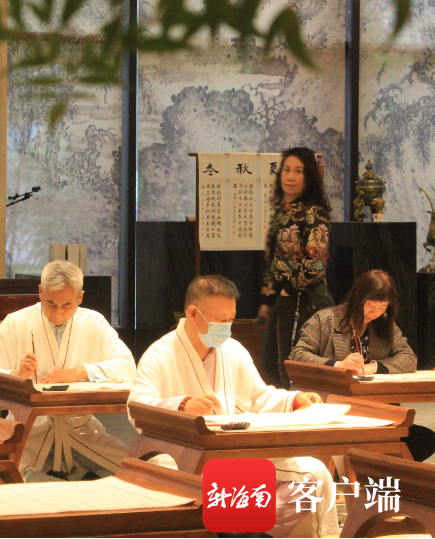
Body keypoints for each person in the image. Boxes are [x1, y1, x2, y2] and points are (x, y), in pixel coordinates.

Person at [132, 274, 338, 538]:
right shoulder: (159, 354)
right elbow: (136, 407)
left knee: (313, 474)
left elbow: (259, 397)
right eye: (220, 321)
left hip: (235, 451)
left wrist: (293, 400)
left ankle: (249, 529)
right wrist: (181, 406)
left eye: (231, 320)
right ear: (193, 314)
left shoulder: (234, 350)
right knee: (185, 484)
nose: (227, 328)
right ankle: (241, 528)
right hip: (183, 457)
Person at [0, 260, 136, 478]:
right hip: (28, 429)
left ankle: (80, 477)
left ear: (80, 297)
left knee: (141, 473)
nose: (58, 313)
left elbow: (127, 366)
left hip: (81, 428)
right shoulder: (15, 323)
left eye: (67, 305)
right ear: (40, 292)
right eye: (51, 303)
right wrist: (16, 376)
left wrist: (79, 372)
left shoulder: (94, 323)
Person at [291, 269, 435, 461]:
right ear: (358, 299)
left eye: (382, 307)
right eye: (371, 306)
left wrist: (372, 367)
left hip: (377, 408)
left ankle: (374, 468)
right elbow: (298, 355)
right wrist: (338, 365)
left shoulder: (384, 323)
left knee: (425, 440)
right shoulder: (325, 320)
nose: (375, 313)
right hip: (334, 408)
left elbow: (408, 357)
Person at [259, 147, 334, 387]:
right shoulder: (283, 211)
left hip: (301, 297)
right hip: (281, 300)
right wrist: (268, 299)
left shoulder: (314, 212)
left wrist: (287, 290)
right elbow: (274, 258)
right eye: (287, 170)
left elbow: (316, 261)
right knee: (270, 367)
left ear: (308, 176)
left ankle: (298, 409)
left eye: (298, 171)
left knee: (290, 369)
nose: (290, 176)